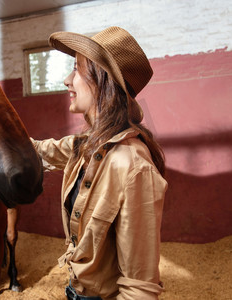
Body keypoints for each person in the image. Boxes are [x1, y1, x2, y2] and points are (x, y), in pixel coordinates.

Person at [31, 26, 167, 300]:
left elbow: (139, 287)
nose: (68, 80)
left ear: (102, 81)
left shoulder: (132, 165)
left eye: (77, 70)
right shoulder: (85, 146)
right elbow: (37, 151)